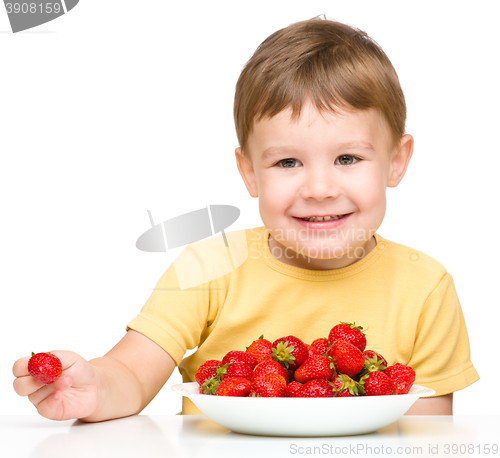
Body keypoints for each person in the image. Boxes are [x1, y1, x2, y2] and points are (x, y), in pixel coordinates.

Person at [12, 15, 479, 421]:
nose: (319, 189)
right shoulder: (209, 266)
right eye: (287, 163)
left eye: (349, 158)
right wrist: (93, 388)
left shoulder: (425, 289)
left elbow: (426, 433)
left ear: (397, 161)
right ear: (249, 172)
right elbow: (132, 373)